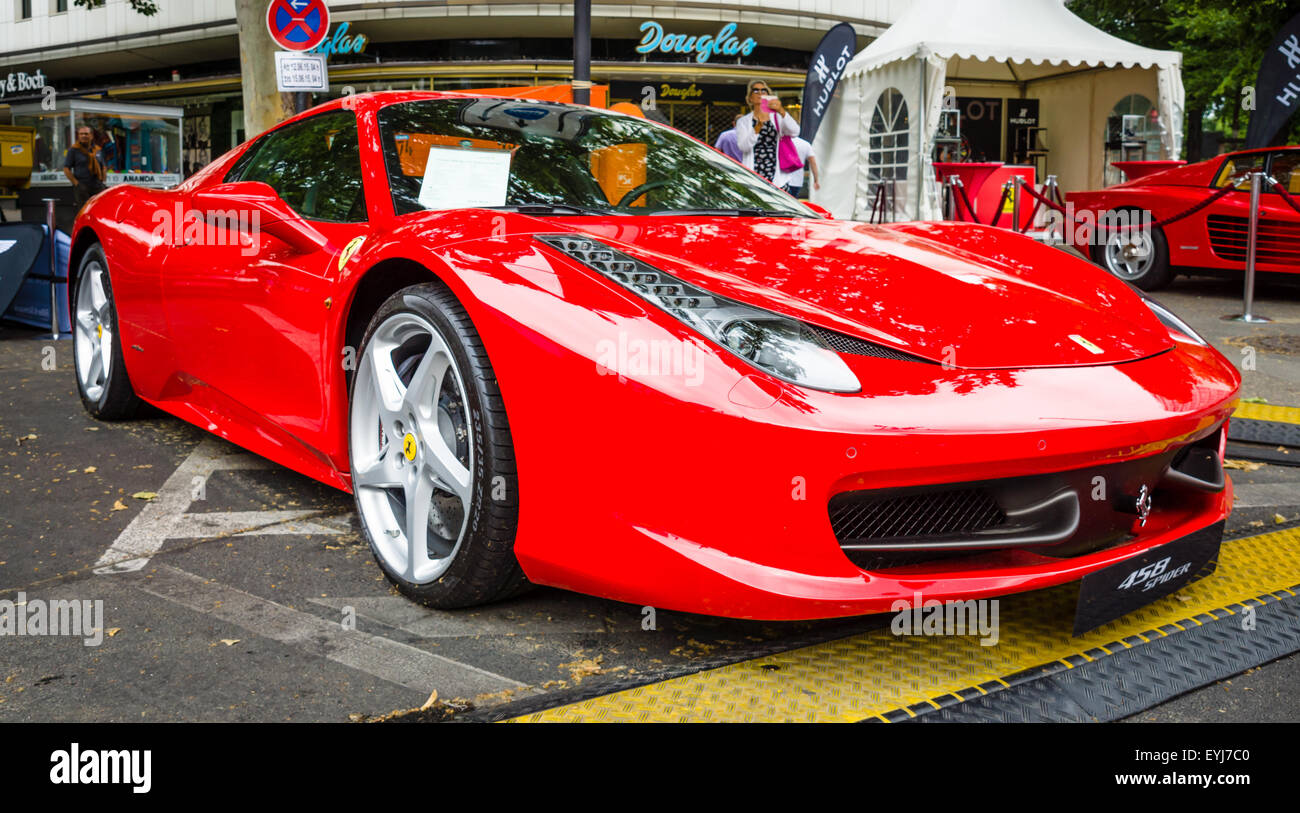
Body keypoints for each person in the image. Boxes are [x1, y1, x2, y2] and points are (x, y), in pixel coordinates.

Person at [735, 80, 799, 183]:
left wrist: (782, 112)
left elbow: (795, 132)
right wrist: (757, 128)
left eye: (763, 90)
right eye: (755, 91)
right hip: (753, 175)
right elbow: (743, 147)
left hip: (777, 176)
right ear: (750, 98)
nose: (760, 93)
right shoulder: (744, 121)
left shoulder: (777, 117)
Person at [63, 126, 107, 211]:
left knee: (98, 210)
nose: (83, 136)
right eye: (81, 134)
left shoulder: (97, 149)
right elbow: (66, 168)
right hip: (82, 186)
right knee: (84, 211)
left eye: (86, 134)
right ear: (78, 136)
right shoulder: (73, 150)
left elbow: (103, 167)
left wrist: (103, 182)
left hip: (97, 186)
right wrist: (76, 184)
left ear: (91, 136)